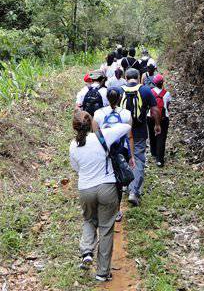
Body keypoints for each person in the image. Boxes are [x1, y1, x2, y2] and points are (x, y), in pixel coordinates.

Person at [70, 110, 131, 282]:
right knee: (106, 229)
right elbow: (126, 126)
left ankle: (87, 251)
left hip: (85, 189)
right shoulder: (103, 136)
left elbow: (76, 168)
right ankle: (102, 272)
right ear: (92, 124)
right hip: (106, 187)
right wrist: (107, 126)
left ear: (74, 127)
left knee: (89, 220)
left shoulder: (73, 145)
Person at [93, 87, 134, 222]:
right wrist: (131, 156)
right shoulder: (126, 114)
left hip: (102, 151)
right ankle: (117, 211)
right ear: (121, 98)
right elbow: (130, 137)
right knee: (118, 180)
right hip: (120, 151)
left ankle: (102, 207)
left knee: (104, 176)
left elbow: (95, 135)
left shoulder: (98, 113)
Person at [121, 68, 160, 206]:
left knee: (123, 157)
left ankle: (125, 185)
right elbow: (155, 109)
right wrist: (157, 124)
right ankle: (134, 191)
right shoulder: (145, 90)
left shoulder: (119, 90)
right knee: (137, 159)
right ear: (138, 78)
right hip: (139, 132)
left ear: (125, 77)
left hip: (122, 133)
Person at [148, 74, 172, 167]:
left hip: (150, 117)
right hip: (163, 118)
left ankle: (153, 152)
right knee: (161, 137)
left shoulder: (150, 92)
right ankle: (160, 160)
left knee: (151, 134)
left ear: (154, 83)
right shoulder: (167, 93)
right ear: (162, 83)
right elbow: (168, 105)